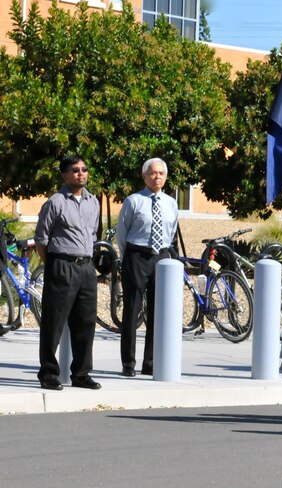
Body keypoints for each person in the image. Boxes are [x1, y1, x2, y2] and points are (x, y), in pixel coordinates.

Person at [35, 154, 101, 391]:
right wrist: (53, 264)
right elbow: (41, 238)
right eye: (75, 170)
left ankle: (81, 374)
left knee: (86, 322)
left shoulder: (94, 201)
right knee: (54, 322)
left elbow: (93, 234)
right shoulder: (56, 202)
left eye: (84, 169)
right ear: (64, 175)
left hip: (86, 268)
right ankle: (48, 373)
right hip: (61, 265)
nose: (80, 173)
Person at [115, 158, 179, 378]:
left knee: (157, 311)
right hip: (136, 255)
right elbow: (121, 234)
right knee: (132, 310)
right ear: (144, 176)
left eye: (161, 173)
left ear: (166, 176)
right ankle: (128, 363)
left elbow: (170, 233)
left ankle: (150, 362)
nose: (157, 177)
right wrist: (128, 257)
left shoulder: (171, 203)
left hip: (160, 256)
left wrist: (163, 252)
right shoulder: (133, 201)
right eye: (152, 173)